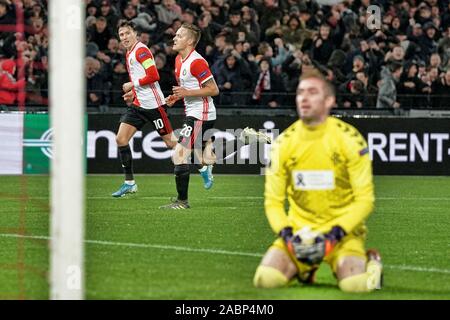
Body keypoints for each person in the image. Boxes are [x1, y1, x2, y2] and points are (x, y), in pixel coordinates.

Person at [253, 70, 383, 293]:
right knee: (265, 280)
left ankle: (373, 262)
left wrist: (335, 234)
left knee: (355, 286)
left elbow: (365, 200)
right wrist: (287, 234)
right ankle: (305, 269)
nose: (304, 98)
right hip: (298, 233)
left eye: (312, 92)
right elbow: (273, 201)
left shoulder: (349, 139)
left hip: (343, 234)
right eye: (300, 92)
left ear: (329, 100)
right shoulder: (283, 143)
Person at [160, 23, 270, 209]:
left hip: (201, 114)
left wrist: (186, 93)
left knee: (179, 154)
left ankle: (182, 202)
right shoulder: (179, 60)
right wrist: (177, 97)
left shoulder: (197, 62)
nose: (174, 38)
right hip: (194, 112)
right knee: (202, 158)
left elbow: (213, 89)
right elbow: (190, 90)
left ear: (190, 41)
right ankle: (244, 139)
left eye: (179, 35)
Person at [112, 21, 177, 197]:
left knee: (172, 144)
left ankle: (203, 163)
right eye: (121, 35)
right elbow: (142, 78)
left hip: (154, 106)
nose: (124, 37)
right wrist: (133, 92)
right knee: (121, 139)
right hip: (138, 105)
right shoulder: (129, 52)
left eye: (127, 33)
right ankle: (129, 183)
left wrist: (131, 85)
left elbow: (154, 75)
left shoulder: (141, 50)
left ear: (135, 34)